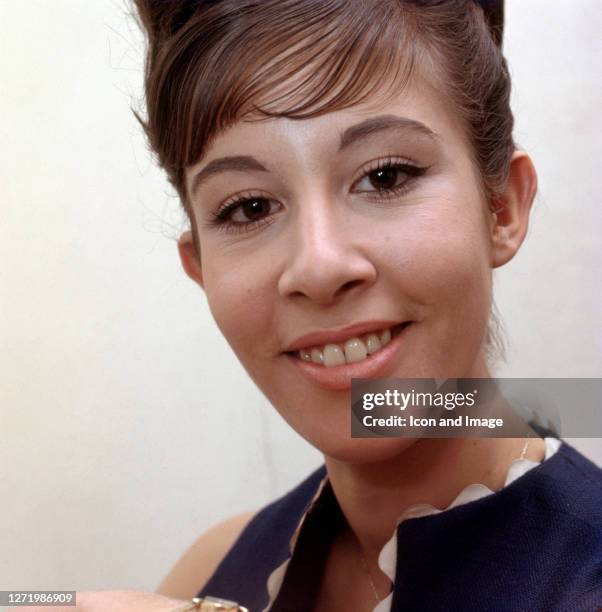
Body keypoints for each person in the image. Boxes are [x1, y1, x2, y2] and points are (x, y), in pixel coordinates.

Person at [18, 1, 600, 611]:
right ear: (200, 268)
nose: (319, 268)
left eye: (385, 176)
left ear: (502, 207)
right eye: (249, 208)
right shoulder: (212, 566)